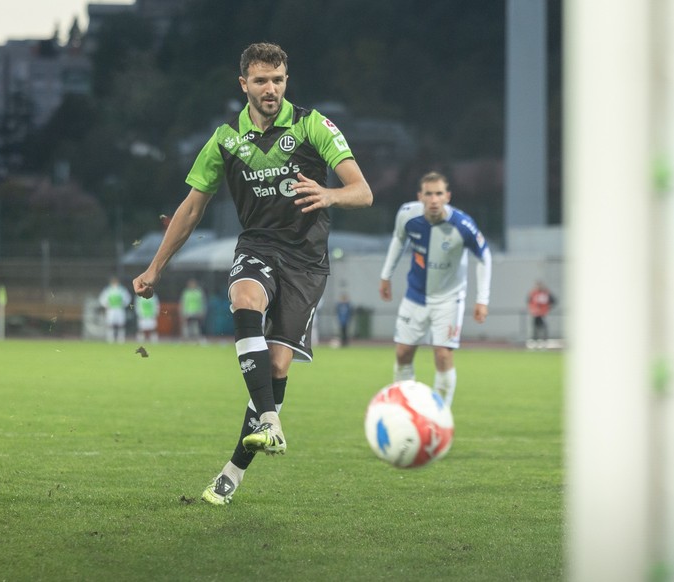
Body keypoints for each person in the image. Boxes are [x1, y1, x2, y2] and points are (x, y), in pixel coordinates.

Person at [133, 42, 372, 505]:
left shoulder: (311, 124)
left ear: (287, 81)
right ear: (243, 83)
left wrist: (329, 194)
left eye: (278, 80)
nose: (271, 89)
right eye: (261, 80)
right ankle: (271, 420)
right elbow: (190, 210)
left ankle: (233, 471)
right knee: (245, 298)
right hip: (259, 245)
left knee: (277, 367)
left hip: (307, 261)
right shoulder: (224, 139)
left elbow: (362, 191)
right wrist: (155, 267)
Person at [379, 171, 492, 408]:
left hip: (449, 299)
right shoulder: (407, 215)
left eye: (439, 193)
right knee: (402, 354)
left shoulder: (463, 225)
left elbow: (484, 257)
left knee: (442, 354)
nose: (433, 199)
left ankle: (441, 413)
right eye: (428, 194)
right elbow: (399, 239)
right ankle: (404, 408)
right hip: (415, 296)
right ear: (420, 196)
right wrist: (385, 275)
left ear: (447, 196)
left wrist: (482, 299)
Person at [98, 276, 131, 344]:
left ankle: (121, 338)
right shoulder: (108, 290)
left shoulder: (122, 290)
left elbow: (128, 298)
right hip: (111, 309)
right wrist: (106, 305)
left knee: (121, 324)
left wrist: (124, 304)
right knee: (110, 324)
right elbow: (102, 299)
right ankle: (110, 338)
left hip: (119, 309)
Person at [526, 281, 556, 349]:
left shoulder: (546, 293)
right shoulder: (533, 293)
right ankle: (534, 342)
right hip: (535, 313)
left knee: (543, 327)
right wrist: (532, 309)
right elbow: (529, 301)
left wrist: (548, 308)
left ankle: (543, 342)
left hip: (543, 313)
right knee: (535, 328)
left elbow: (553, 301)